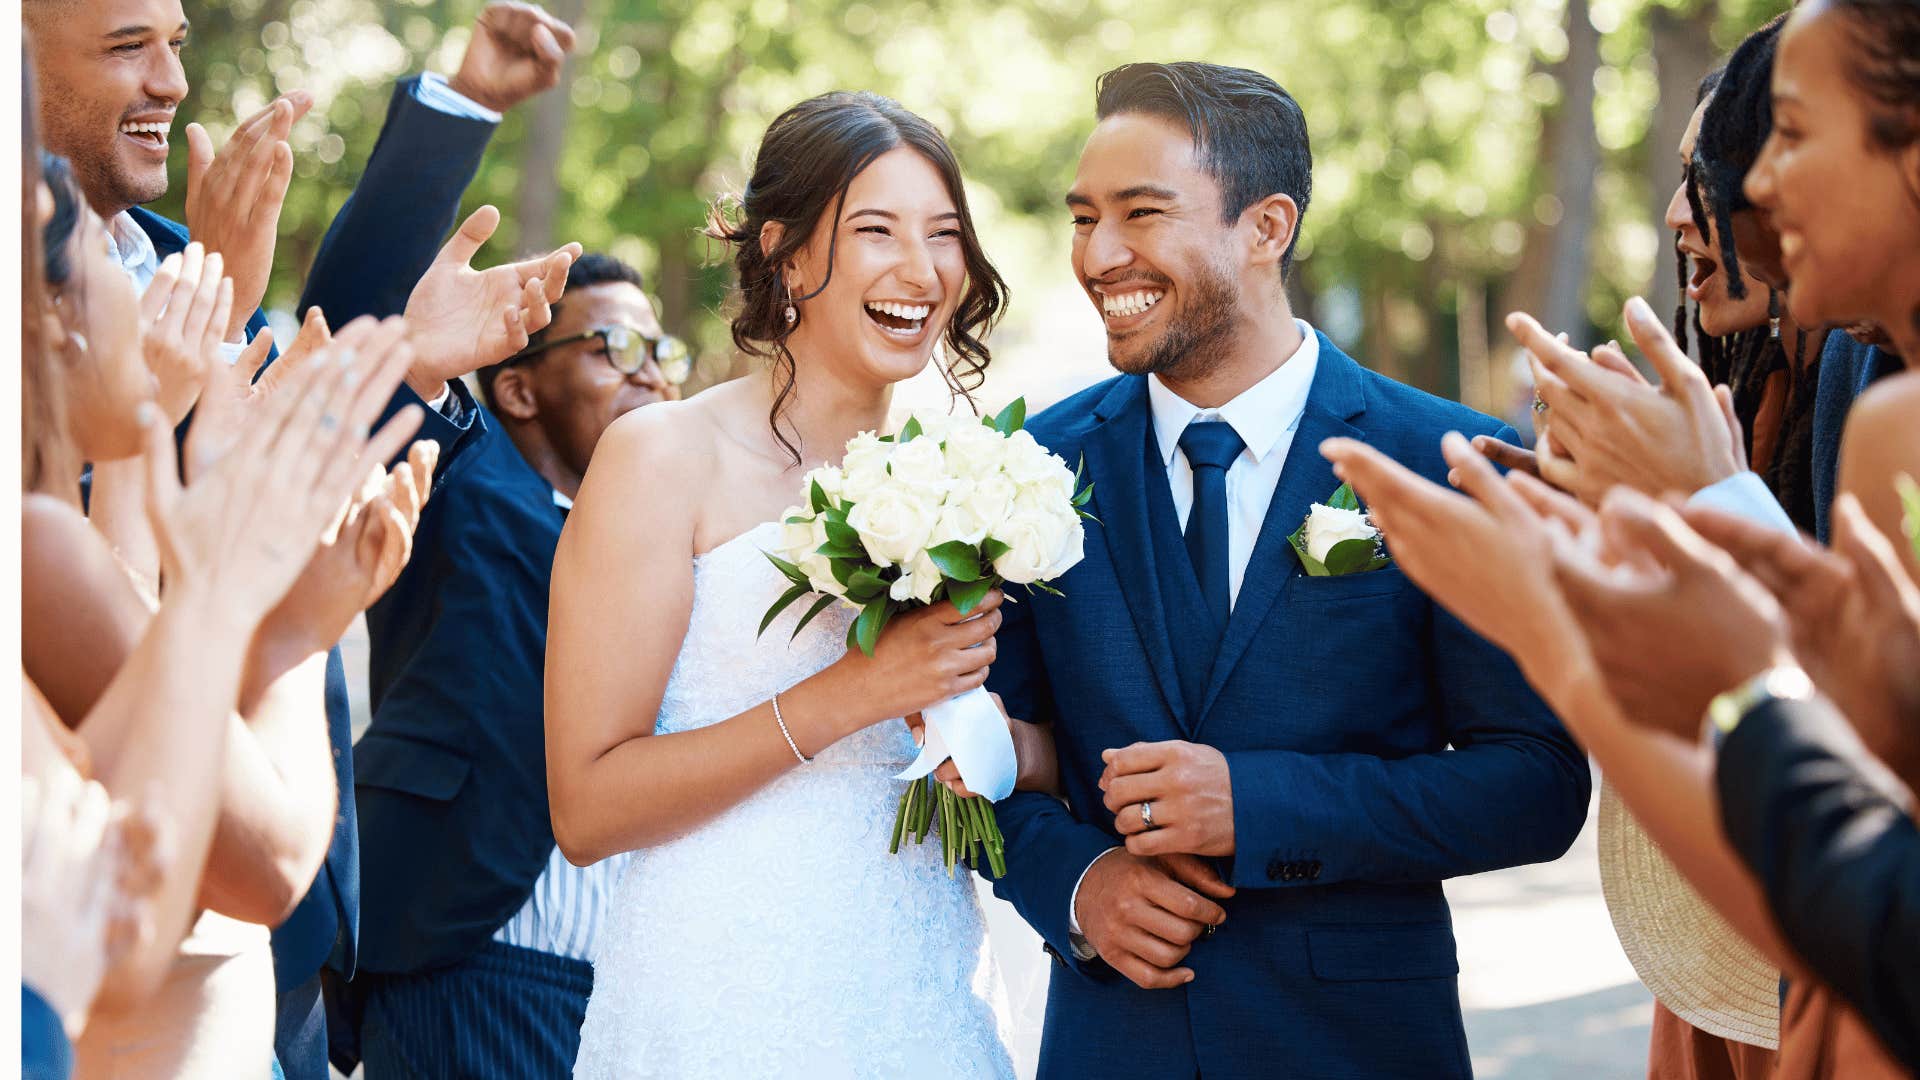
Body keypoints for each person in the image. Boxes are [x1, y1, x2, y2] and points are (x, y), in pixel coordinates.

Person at [982, 62, 1589, 1079]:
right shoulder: (1028, 468)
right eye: (1083, 217)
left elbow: (1536, 783)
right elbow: (980, 757)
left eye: (1140, 213)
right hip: (1115, 1043)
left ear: (1267, 229)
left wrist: (1259, 805)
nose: (1099, 254)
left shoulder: (1450, 460)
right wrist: (1079, 884)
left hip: (1357, 1047)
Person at [23, 5, 582, 1074]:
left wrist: (411, 361)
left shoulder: (183, 267)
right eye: (126, 44)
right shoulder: (48, 526)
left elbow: (292, 450)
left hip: (276, 973)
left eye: (177, 42)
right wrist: (291, 629)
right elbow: (176, 579)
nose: (173, 81)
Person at [550, 92, 1045, 1078]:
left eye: (945, 235)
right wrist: (854, 694)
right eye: (877, 231)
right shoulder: (661, 457)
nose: (922, 269)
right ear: (784, 251)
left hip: (916, 992)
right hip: (716, 997)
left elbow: (1032, 741)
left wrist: (1003, 749)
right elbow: (587, 808)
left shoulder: (977, 478)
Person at [348, 254, 681, 1077]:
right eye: (614, 347)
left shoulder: (675, 550)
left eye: (659, 352)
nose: (652, 377)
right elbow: (393, 421)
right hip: (470, 952)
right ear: (520, 392)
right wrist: (425, 361)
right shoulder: (466, 486)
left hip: (632, 990)